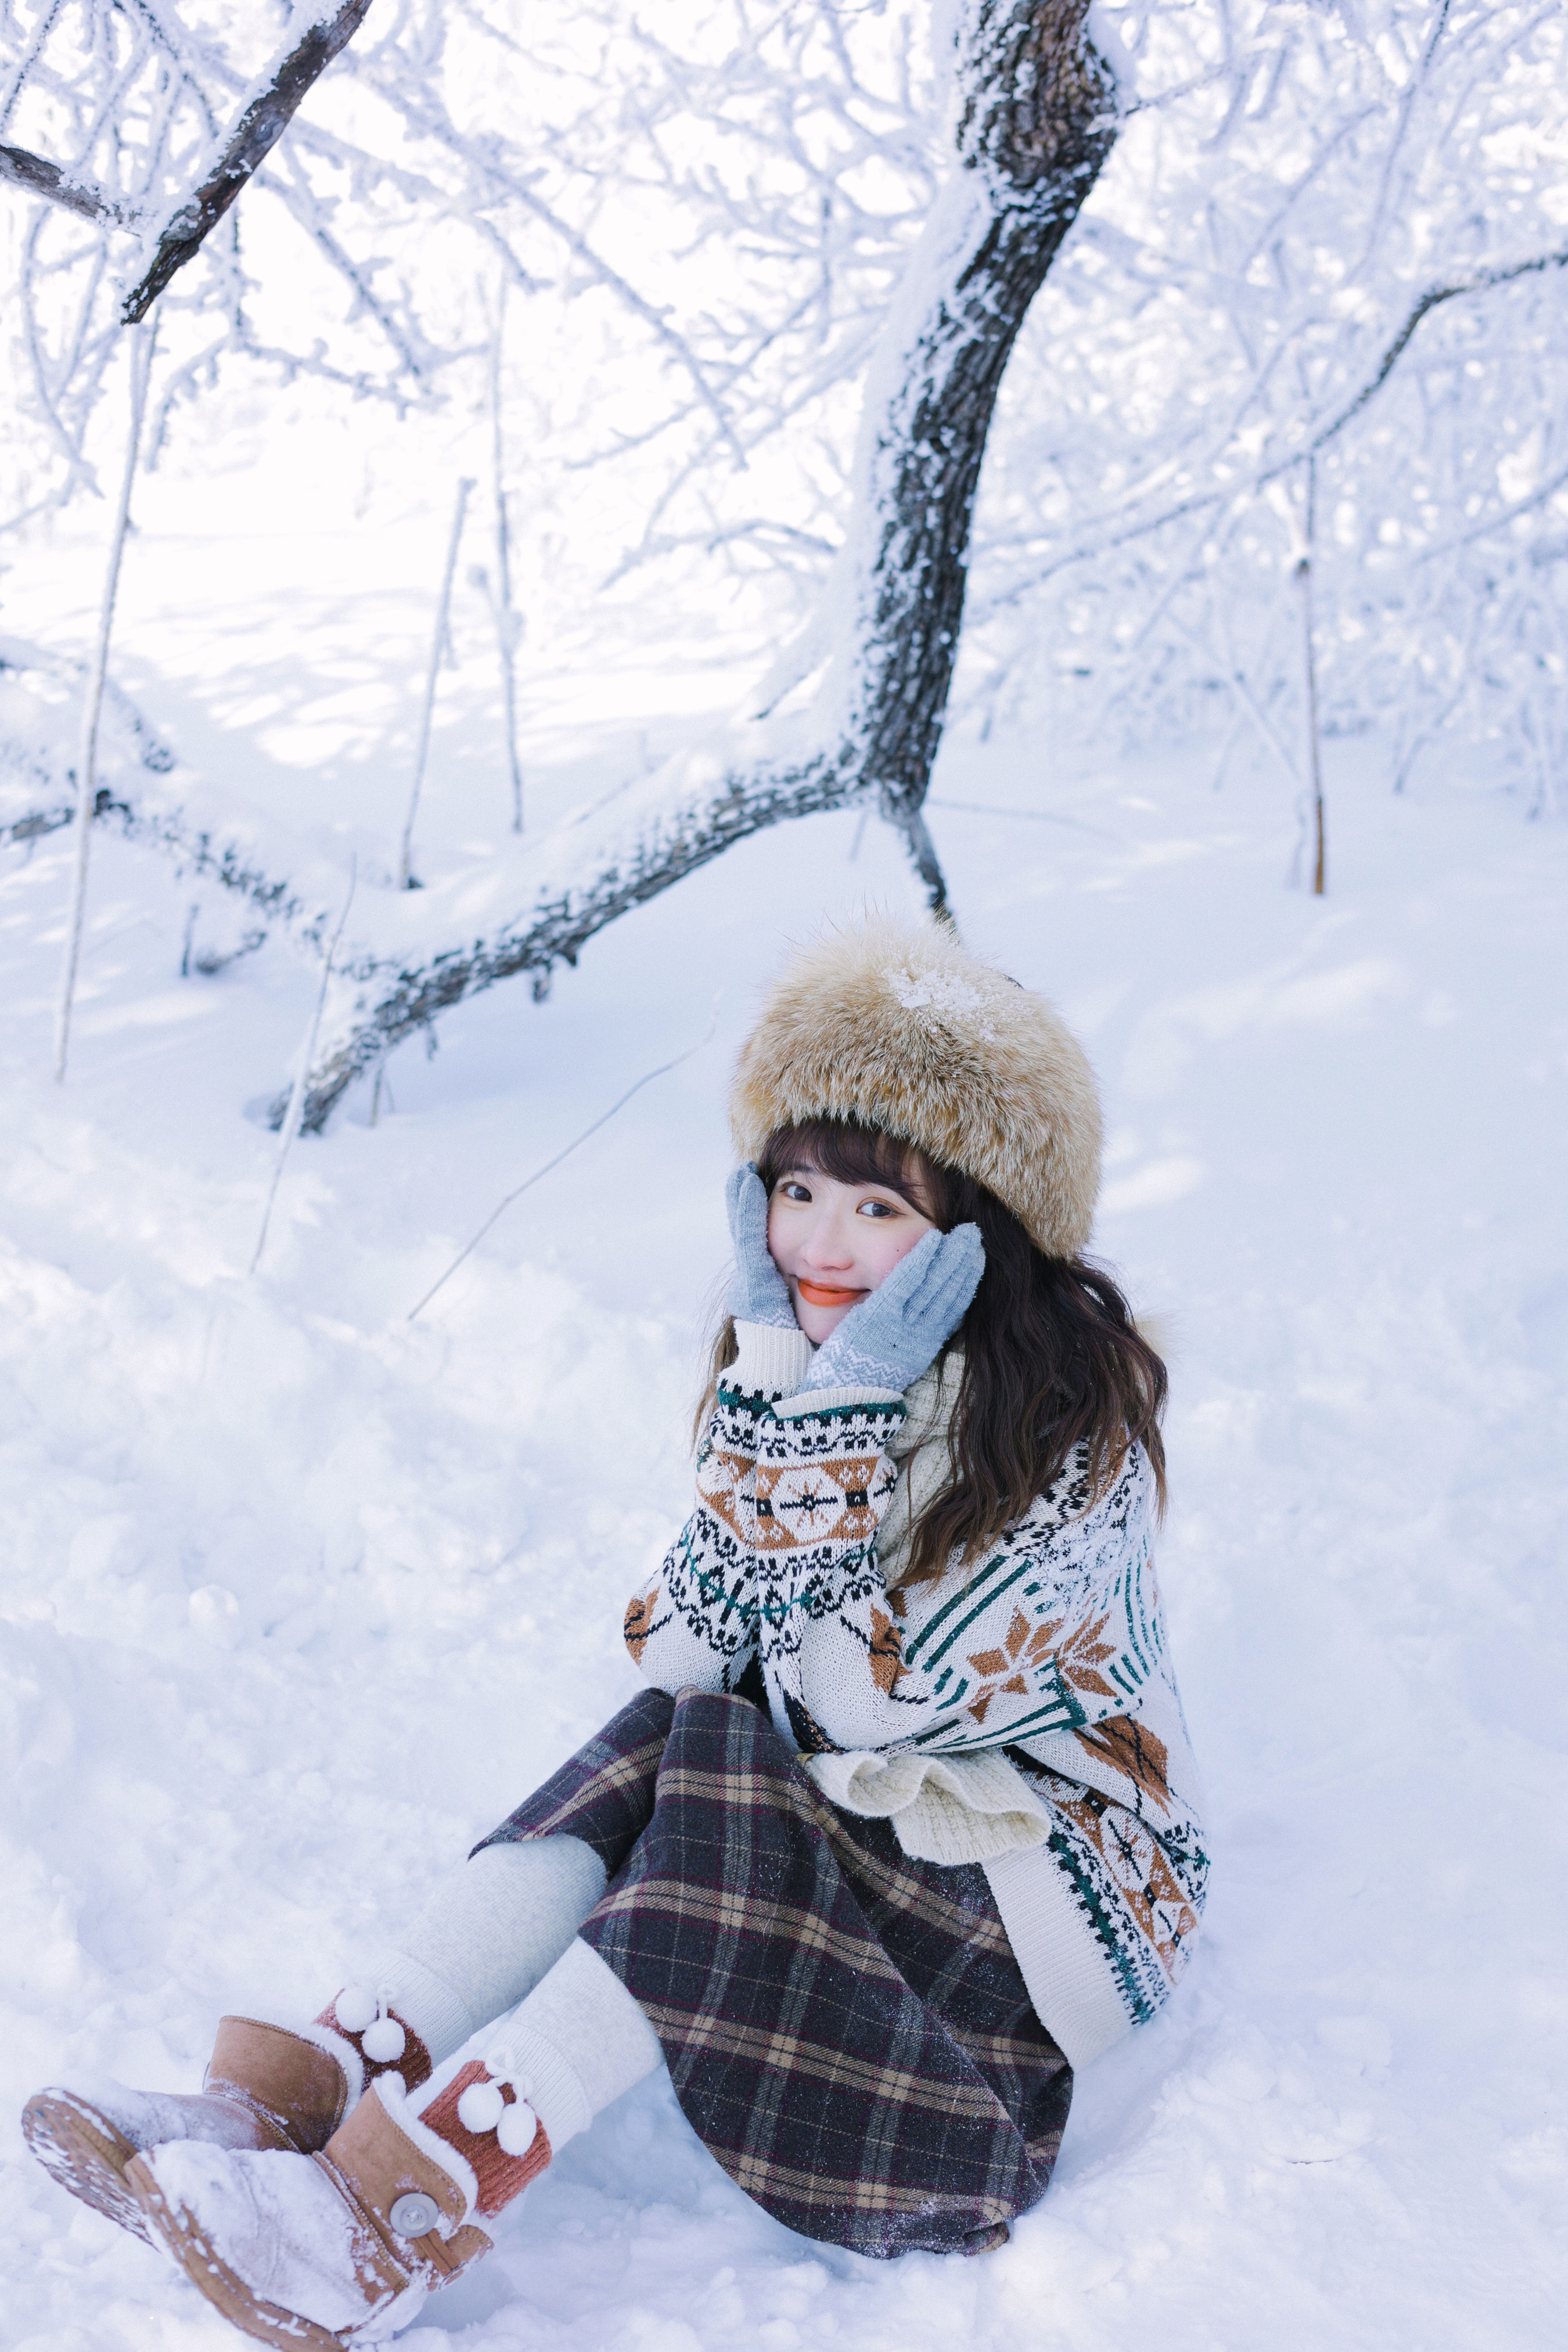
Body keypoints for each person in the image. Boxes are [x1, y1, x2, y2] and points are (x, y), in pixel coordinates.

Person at [23, 915, 1207, 2347]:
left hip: (1011, 1956)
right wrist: (789, 1390)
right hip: (865, 1831)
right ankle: (327, 2076)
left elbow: (858, 1706)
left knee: (720, 1772)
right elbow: (686, 1655)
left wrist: (818, 1422)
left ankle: (426, 2190)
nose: (821, 1247)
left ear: (980, 1235)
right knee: (679, 1731)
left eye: (880, 1210)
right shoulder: (808, 1365)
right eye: (797, 1190)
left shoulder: (1073, 1442)